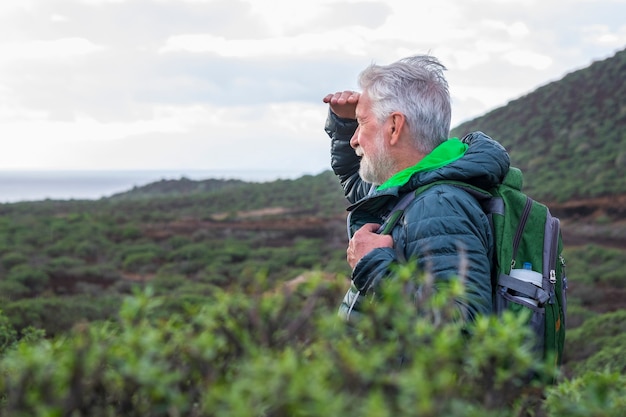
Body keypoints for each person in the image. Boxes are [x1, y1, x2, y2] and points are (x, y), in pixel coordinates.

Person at [322, 55, 510, 322]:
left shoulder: (438, 204)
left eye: (361, 123)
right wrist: (343, 125)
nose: (354, 139)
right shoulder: (415, 190)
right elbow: (359, 186)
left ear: (395, 127)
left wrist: (374, 266)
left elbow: (462, 327)